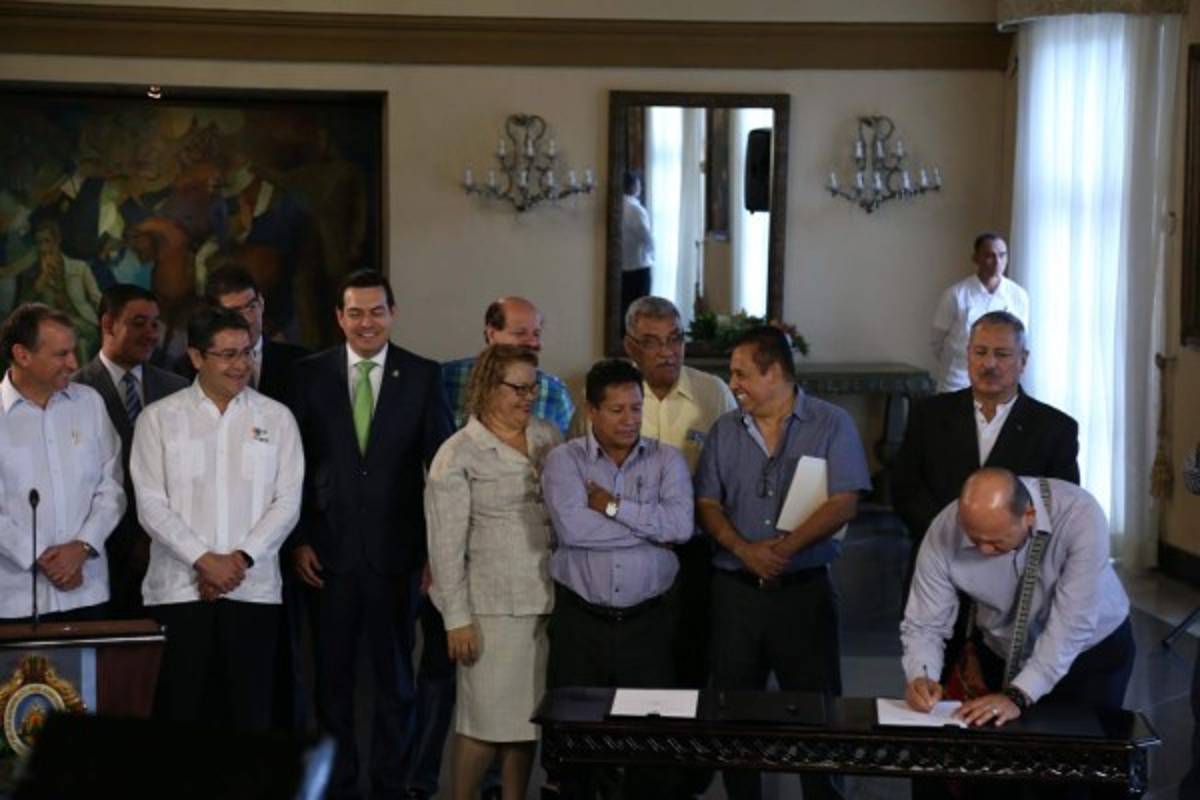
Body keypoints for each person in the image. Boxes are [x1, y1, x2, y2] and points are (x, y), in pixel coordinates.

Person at [291, 269, 453, 799]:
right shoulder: (309, 375)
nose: (367, 323)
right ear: (340, 317)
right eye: (355, 313)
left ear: (393, 314)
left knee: (396, 685)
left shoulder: (422, 375)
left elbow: (442, 472)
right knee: (332, 685)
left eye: (376, 311)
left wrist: (436, 552)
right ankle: (337, 787)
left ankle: (390, 786)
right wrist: (300, 539)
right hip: (327, 556)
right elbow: (292, 466)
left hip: (397, 556)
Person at [695, 325, 871, 800]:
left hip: (803, 593)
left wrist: (783, 551)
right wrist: (744, 550)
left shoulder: (832, 424)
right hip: (736, 596)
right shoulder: (725, 430)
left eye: (741, 374)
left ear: (774, 372)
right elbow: (707, 502)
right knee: (734, 713)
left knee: (818, 714)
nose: (733, 384)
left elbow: (844, 502)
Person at [902, 469, 1133, 799]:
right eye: (974, 540)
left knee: (1076, 770)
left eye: (996, 542)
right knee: (1001, 770)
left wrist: (1019, 695)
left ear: (1029, 515)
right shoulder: (945, 528)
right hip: (1002, 647)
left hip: (1089, 652)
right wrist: (921, 674)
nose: (983, 550)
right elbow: (925, 621)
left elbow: (1072, 625)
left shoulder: (1079, 514)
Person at [131, 306, 302, 731]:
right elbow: (151, 504)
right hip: (178, 592)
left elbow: (287, 503)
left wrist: (238, 561)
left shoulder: (277, 418)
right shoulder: (159, 419)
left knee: (249, 722)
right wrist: (204, 561)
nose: (240, 365)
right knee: (180, 719)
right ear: (196, 357)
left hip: (253, 592)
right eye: (227, 355)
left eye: (246, 352)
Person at [541, 358, 693, 799]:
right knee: (575, 742)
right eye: (617, 410)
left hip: (650, 623)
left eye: (636, 408)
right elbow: (574, 530)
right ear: (592, 410)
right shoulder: (565, 461)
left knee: (652, 742)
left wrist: (612, 507)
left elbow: (681, 527)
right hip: (581, 622)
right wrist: (650, 531)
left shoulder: (667, 459)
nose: (630, 419)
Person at [425, 344, 561, 800]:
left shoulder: (548, 437)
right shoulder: (458, 453)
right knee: (482, 723)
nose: (528, 397)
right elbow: (444, 545)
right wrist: (455, 618)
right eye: (518, 388)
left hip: (543, 599)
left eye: (532, 388)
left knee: (525, 722)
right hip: (490, 610)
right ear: (487, 387)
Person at [201, 264, 309, 731]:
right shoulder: (185, 381)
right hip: (215, 554)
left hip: (291, 543)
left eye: (251, 306)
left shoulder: (304, 365)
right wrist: (212, 559)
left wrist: (300, 539)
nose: (245, 317)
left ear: (262, 304)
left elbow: (313, 464)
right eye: (232, 311)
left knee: (289, 669)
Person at [894, 311, 1079, 566]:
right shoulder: (928, 415)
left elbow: (1060, 503)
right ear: (968, 354)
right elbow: (905, 488)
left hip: (1017, 564)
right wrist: (955, 535)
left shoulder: (1055, 428)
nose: (989, 364)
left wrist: (1000, 539)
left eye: (1002, 354)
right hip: (940, 554)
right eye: (980, 352)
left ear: (1023, 360)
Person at [0, 303, 124, 621]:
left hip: (87, 589)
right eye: (61, 354)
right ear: (22, 355)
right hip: (14, 599)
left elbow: (112, 486)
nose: (74, 363)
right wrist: (43, 557)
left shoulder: (89, 403)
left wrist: (82, 548)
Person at [73, 284, 188, 618]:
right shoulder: (74, 392)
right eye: (139, 323)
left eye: (155, 324)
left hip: (168, 553)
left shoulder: (178, 389)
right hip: (100, 556)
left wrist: (158, 537)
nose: (151, 334)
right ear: (108, 324)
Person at [442, 297, 574, 435]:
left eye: (536, 334)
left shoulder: (554, 391)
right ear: (492, 334)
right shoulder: (446, 378)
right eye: (520, 333)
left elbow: (570, 445)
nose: (533, 342)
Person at [931, 232, 1029, 393]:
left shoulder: (1018, 295)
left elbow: (1020, 340)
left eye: (1002, 255)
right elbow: (937, 341)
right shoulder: (956, 294)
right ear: (976, 258)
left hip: (1000, 380)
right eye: (990, 256)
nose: (997, 262)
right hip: (958, 380)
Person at [27, 219, 103, 363]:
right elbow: (26, 304)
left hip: (84, 322)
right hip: (54, 327)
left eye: (47, 241)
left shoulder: (79, 267)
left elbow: (97, 298)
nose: (43, 247)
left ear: (57, 240)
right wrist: (44, 277)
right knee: (76, 340)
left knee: (73, 336)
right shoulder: (35, 274)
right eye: (39, 242)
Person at [620, 171, 654, 328]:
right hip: (638, 265)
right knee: (640, 309)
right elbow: (646, 237)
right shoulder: (636, 209)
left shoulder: (616, 206)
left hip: (621, 266)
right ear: (634, 186)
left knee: (623, 307)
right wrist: (651, 255)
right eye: (639, 184)